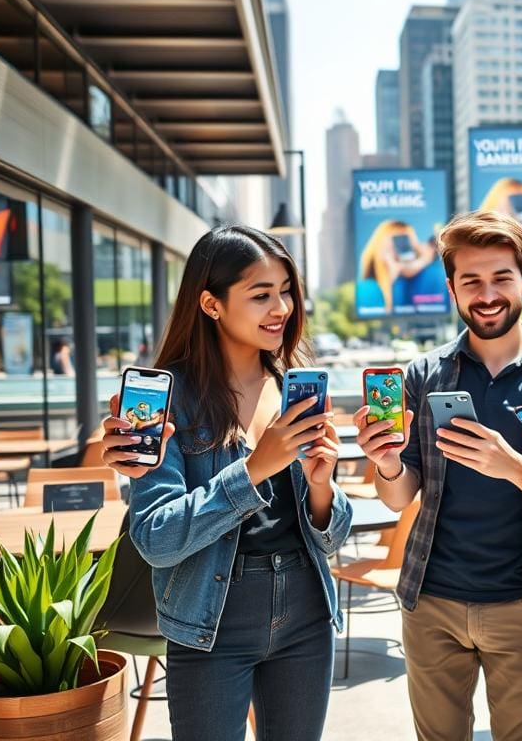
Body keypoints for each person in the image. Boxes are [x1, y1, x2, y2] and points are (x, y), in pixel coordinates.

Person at [100, 225, 352, 741]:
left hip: (306, 607)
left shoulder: (295, 388)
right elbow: (156, 539)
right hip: (209, 617)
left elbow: (329, 537)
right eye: (260, 295)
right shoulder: (168, 401)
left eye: (285, 290)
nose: (280, 307)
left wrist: (323, 488)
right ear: (211, 304)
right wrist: (254, 469)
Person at [352, 210, 522, 741]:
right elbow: (398, 498)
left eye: (502, 278)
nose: (487, 295)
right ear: (452, 289)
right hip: (430, 600)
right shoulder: (422, 375)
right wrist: (386, 461)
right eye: (471, 281)